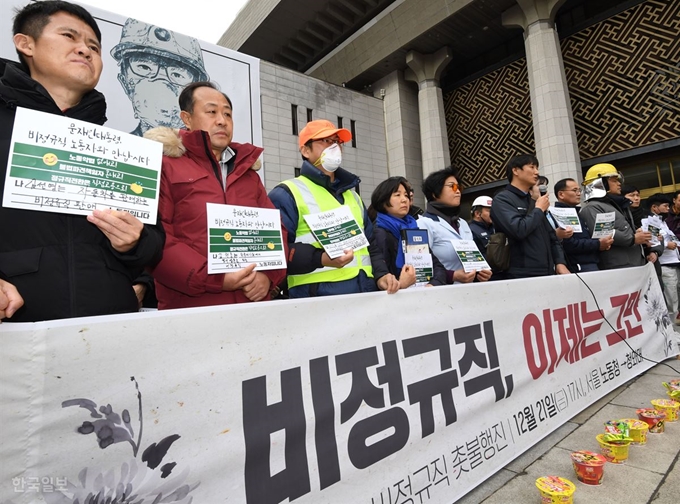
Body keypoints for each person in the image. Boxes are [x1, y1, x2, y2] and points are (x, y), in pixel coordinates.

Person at [0, 1, 164, 322]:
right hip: (16, 336)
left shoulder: (116, 149)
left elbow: (153, 243)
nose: (85, 50)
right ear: (26, 43)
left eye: (94, 46)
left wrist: (135, 242)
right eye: (69, 36)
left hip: (110, 329)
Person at [144, 81, 285, 309]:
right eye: (211, 112)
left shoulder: (248, 175)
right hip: (193, 308)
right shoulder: (165, 165)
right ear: (186, 118)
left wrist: (268, 276)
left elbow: (277, 230)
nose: (222, 121)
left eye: (227, 114)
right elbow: (156, 237)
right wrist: (216, 279)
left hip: (253, 305)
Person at [269, 119, 392, 297]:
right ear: (305, 150)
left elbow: (370, 244)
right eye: (325, 141)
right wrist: (320, 258)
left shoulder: (353, 197)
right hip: (316, 300)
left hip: (364, 294)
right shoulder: (287, 193)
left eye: (337, 142)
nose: (334, 147)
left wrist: (381, 275)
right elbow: (276, 249)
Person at [111, 19, 209, 136]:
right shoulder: (118, 149)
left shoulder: (205, 151)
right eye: (144, 67)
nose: (161, 80)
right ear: (125, 81)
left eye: (177, 74)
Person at [490, 155, 569, 278]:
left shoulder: (533, 201)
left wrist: (560, 262)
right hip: (521, 273)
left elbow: (552, 237)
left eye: (537, 168)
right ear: (515, 170)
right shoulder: (502, 199)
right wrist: (538, 209)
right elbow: (518, 230)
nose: (536, 172)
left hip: (547, 271)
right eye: (532, 167)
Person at [417, 166, 493, 283]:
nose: (458, 191)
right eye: (452, 186)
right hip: (439, 293)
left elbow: (470, 258)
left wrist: (480, 272)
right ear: (434, 194)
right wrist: (452, 276)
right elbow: (420, 268)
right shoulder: (423, 224)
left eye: (459, 187)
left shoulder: (462, 223)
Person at [369, 177, 446, 290]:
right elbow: (380, 276)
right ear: (383, 200)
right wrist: (401, 284)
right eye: (397, 195)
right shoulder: (378, 233)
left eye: (406, 195)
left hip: (423, 294)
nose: (404, 199)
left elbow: (438, 267)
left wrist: (432, 284)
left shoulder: (413, 229)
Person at [580, 163, 652, 270]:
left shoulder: (618, 205)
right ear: (601, 183)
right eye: (614, 180)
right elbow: (603, 232)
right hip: (617, 265)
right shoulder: (592, 208)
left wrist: (638, 234)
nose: (619, 184)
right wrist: (633, 239)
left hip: (635, 262)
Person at [551, 178, 613, 272]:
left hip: (591, 262)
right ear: (561, 194)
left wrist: (602, 243)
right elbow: (569, 244)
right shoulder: (560, 214)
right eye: (574, 190)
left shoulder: (576, 212)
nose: (579, 193)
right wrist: (598, 244)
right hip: (578, 266)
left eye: (579, 190)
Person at [646, 193, 680, 323]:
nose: (668, 209)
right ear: (654, 207)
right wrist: (666, 244)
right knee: (671, 300)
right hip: (665, 265)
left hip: (674, 262)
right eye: (665, 206)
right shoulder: (652, 222)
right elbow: (653, 242)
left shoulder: (663, 223)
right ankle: (671, 331)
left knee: (676, 298)